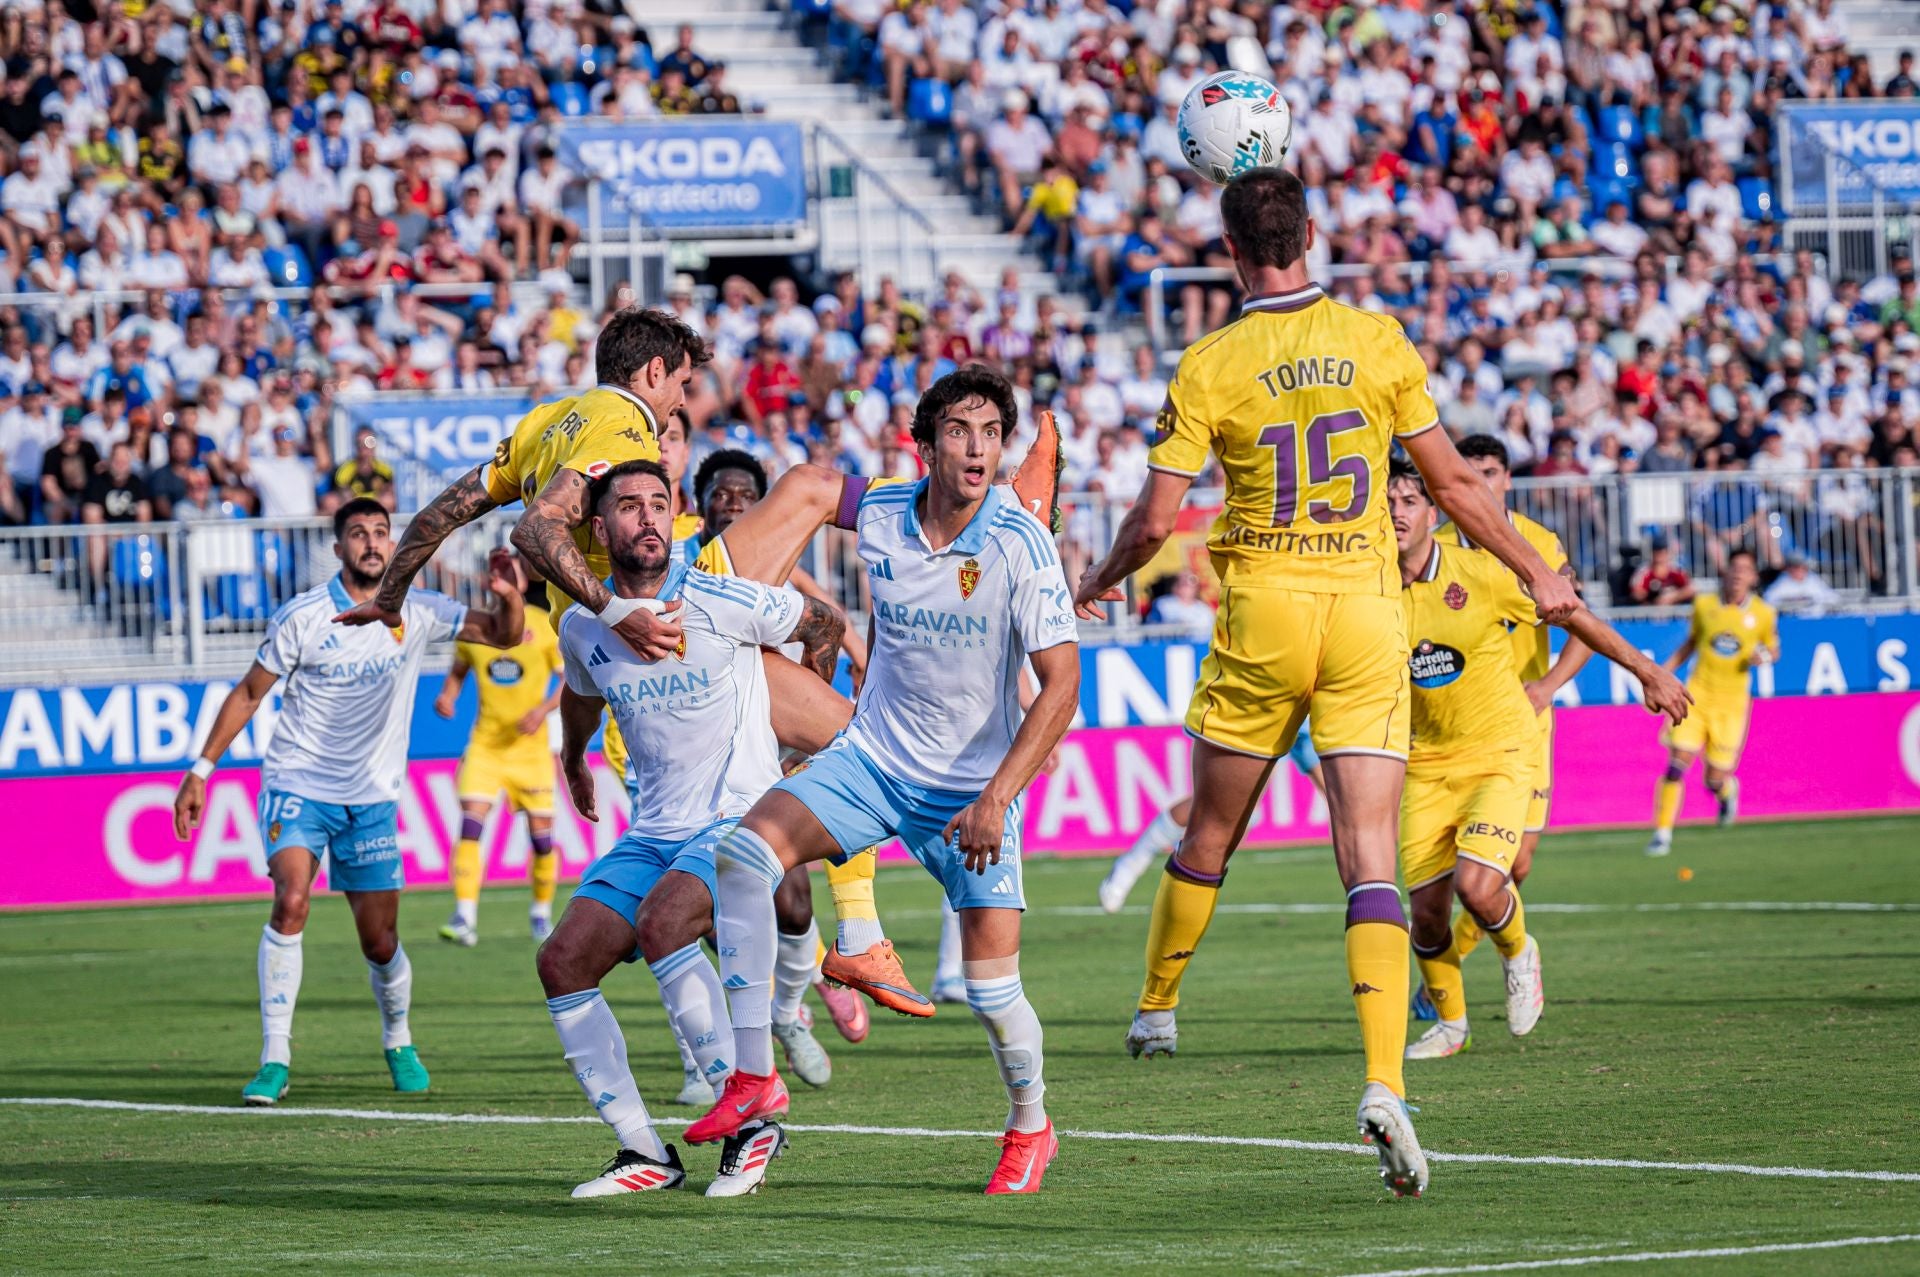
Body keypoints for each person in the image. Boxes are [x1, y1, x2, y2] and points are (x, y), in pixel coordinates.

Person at [1068, 167, 1583, 1199]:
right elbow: (1450, 481)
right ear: (1311, 233)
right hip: (1363, 616)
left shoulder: (1211, 361)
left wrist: (1099, 577)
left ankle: (1158, 1003)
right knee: (1370, 858)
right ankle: (1386, 1078)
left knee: (1209, 832)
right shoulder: (1379, 339)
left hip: (1264, 615)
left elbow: (1156, 523)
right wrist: (1533, 567)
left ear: (1227, 250)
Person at [692, 366, 1081, 1196]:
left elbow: (1063, 687)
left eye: (991, 434)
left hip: (971, 793)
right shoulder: (881, 513)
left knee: (991, 990)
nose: (976, 447)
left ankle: (1031, 1121)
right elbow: (812, 489)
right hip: (873, 761)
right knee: (743, 857)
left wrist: (997, 797)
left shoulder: (1020, 541)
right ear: (925, 443)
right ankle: (755, 1074)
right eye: (959, 430)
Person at [537, 460, 848, 1199]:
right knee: (563, 961)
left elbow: (824, 622)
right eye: (629, 507)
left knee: (666, 921)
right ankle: (644, 1151)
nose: (647, 517)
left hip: (736, 816)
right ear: (600, 528)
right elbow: (582, 692)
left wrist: (798, 739)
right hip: (655, 828)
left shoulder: (717, 596)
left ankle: (750, 1117)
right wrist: (576, 758)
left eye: (658, 505)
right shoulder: (583, 624)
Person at [171, 500, 526, 1106]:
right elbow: (250, 692)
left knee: (379, 941)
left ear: (393, 546)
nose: (370, 542)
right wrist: (201, 770)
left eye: (380, 533)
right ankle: (275, 1057)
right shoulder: (305, 616)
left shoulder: (418, 611)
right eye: (357, 533)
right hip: (298, 785)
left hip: (372, 795)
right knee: (291, 901)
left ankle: (398, 1039)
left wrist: (510, 596)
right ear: (337, 548)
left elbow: (501, 635)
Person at [1389, 462, 1686, 1060]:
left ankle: (1519, 953)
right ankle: (1452, 1027)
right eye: (1387, 500)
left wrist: (1648, 670)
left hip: (1499, 751)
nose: (1396, 511)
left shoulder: (1482, 572)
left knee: (1480, 885)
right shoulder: (1365, 590)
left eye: (1408, 500)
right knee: (1424, 916)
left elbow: (1574, 614)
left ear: (1433, 513)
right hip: (1422, 765)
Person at [1439, 437, 1590, 926]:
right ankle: (1440, 973)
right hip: (1451, 730)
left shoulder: (1539, 544)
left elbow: (1584, 628)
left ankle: (1461, 956)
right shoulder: (1431, 548)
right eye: (1468, 472)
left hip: (1523, 725)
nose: (1479, 483)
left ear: (1506, 480)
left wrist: (1546, 687)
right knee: (1448, 870)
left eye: (1489, 472)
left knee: (1516, 864)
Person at [432, 554, 565, 947]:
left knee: (542, 840)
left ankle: (541, 914)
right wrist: (447, 696)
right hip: (485, 747)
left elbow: (570, 680)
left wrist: (542, 710)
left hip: (530, 751)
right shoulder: (475, 628)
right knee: (470, 826)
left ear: (523, 581)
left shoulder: (543, 628)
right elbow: (458, 670)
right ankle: (464, 916)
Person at [1096, 725, 1325, 916]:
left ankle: (1181, 877)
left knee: (1342, 801)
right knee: (1227, 804)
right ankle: (1134, 862)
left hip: (1314, 703)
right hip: (1273, 699)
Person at [1648, 549, 1778, 856]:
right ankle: (1662, 834)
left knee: (1714, 777)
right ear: (1726, 572)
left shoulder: (1762, 613)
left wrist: (1765, 656)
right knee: (1677, 764)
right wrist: (1660, 675)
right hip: (1698, 695)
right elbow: (1691, 644)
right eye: (1734, 568)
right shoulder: (1705, 606)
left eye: (1745, 570)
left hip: (1731, 705)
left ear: (1752, 577)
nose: (1737, 575)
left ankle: (1726, 791)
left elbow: (1774, 648)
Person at [1763, 552, 1839, 615]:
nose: (1799, 569)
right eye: (1795, 567)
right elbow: (1768, 601)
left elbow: (1833, 598)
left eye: (1801, 566)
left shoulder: (1814, 580)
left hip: (1814, 621)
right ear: (1788, 568)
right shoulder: (1781, 583)